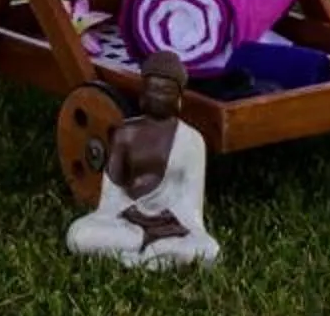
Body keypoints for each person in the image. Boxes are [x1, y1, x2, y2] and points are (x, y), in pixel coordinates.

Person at [64, 53, 220, 269]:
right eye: (152, 90)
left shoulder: (191, 141)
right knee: (78, 235)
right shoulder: (124, 134)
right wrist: (118, 216)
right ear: (142, 95)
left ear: (179, 99)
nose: (158, 97)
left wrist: (184, 226)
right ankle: (148, 257)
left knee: (209, 249)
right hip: (127, 223)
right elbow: (110, 197)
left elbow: (192, 207)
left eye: (166, 91)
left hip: (171, 227)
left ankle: (146, 254)